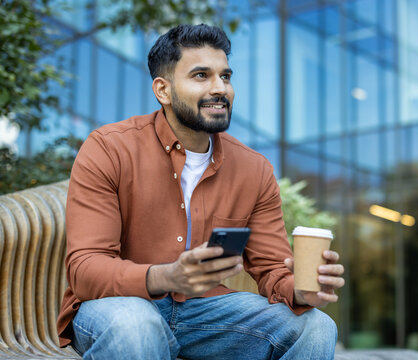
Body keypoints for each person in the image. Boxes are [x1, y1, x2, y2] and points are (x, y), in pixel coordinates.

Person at [56, 23, 345, 360]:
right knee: (137, 325)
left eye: (225, 76)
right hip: (118, 307)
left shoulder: (254, 168)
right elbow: (85, 269)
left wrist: (304, 290)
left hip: (205, 313)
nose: (219, 88)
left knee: (317, 326)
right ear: (163, 90)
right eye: (201, 76)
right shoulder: (109, 148)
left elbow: (272, 271)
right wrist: (167, 276)